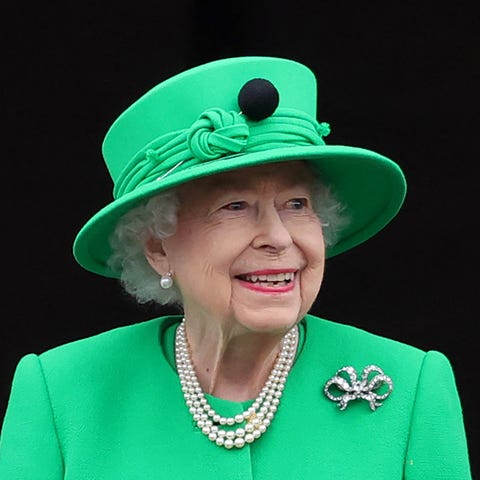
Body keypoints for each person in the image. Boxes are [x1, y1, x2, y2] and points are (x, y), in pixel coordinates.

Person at [0, 56, 472, 479]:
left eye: (296, 203)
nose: (280, 237)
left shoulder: (411, 386)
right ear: (157, 248)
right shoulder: (60, 393)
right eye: (235, 206)